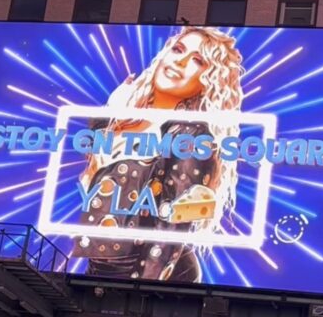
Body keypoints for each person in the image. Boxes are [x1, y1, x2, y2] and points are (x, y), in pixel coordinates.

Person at [72, 27, 244, 282]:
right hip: (104, 270)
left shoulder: (191, 136)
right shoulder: (124, 118)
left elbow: (171, 228)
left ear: (208, 80)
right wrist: (110, 110)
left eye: (198, 61)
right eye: (178, 49)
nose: (181, 61)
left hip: (153, 273)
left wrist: (145, 289)